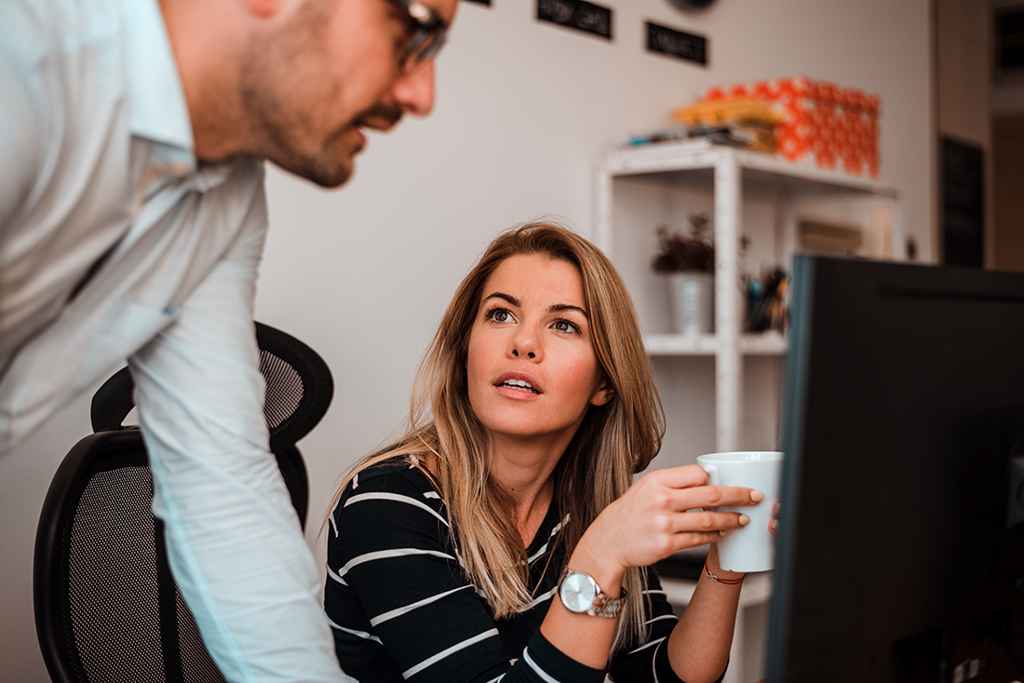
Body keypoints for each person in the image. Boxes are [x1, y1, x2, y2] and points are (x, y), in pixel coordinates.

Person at [1, 0, 457, 680]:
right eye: (416, 28)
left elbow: (223, 492)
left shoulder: (225, 199)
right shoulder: (24, 65)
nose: (423, 94)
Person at [324, 223, 771, 682]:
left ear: (604, 383)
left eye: (563, 325)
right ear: (464, 351)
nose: (522, 343)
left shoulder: (582, 505)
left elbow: (659, 677)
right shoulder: (386, 503)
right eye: (500, 315)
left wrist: (728, 557)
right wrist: (601, 556)